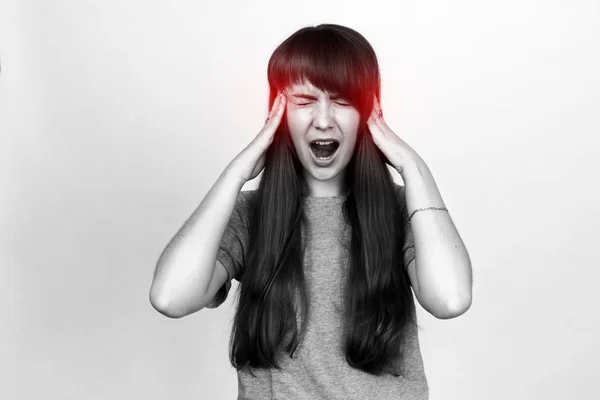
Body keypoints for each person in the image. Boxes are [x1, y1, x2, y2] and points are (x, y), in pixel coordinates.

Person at [150, 23, 473, 400]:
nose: (323, 119)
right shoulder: (249, 216)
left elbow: (450, 299)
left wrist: (412, 166)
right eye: (304, 102)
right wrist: (237, 172)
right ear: (279, 113)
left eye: (342, 100)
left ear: (369, 112)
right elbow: (170, 297)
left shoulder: (403, 211)